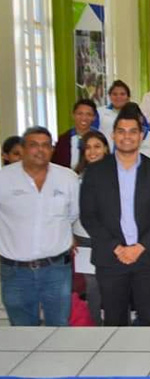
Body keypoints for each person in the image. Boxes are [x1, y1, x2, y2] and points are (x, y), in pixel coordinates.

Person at [80, 104, 150, 326]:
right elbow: (89, 216)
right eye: (121, 131)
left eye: (133, 131)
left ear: (141, 136)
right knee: (114, 321)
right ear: (113, 135)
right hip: (110, 257)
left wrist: (140, 247)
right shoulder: (95, 171)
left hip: (148, 258)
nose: (127, 137)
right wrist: (117, 248)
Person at [0, 127, 79, 326]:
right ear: (23, 148)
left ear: (52, 149)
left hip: (56, 270)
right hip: (15, 271)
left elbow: (72, 214)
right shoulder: (4, 179)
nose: (40, 150)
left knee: (59, 327)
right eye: (34, 145)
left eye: (46, 145)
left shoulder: (67, 178)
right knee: (22, 331)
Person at [72, 130, 110, 326]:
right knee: (93, 286)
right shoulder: (75, 178)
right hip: (84, 238)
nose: (92, 151)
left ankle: (117, 324)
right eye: (88, 148)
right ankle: (94, 325)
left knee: (113, 284)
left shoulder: (118, 174)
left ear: (106, 149)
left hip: (112, 239)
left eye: (97, 147)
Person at [53, 99, 98, 169]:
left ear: (94, 117)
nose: (84, 118)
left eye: (88, 114)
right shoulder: (63, 140)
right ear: (73, 115)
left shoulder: (99, 139)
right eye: (80, 114)